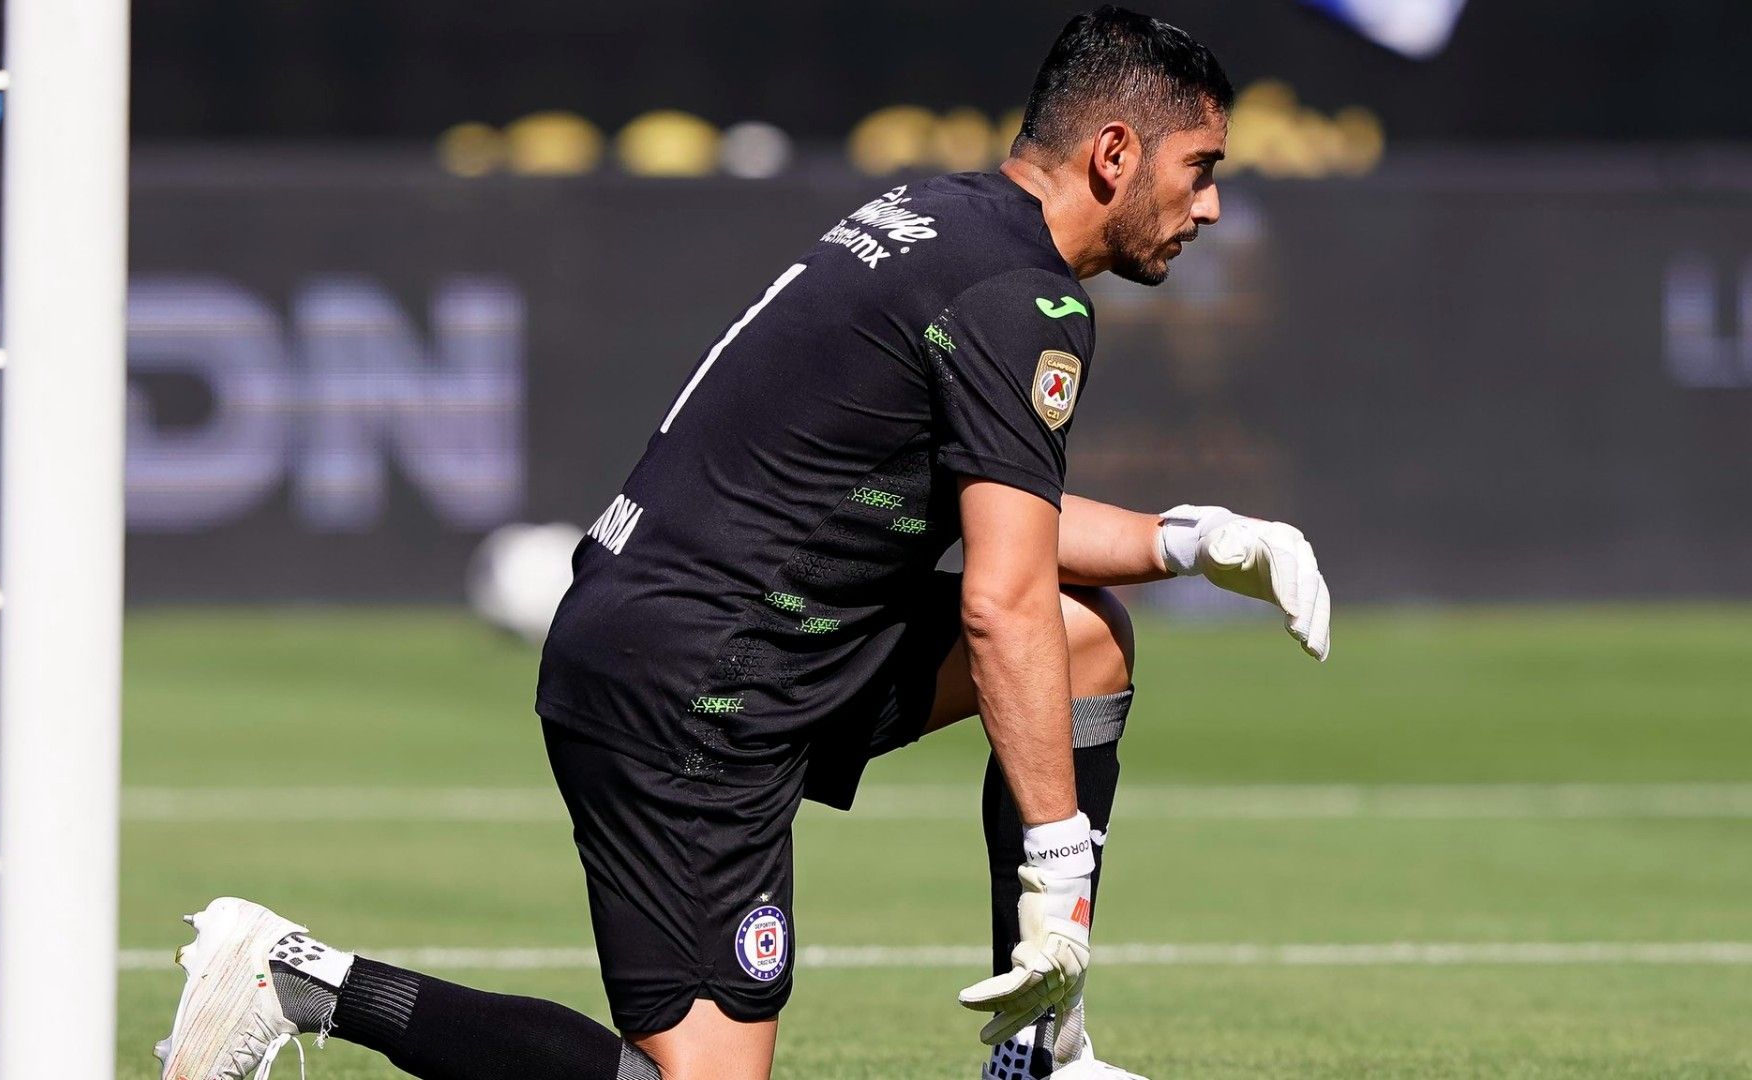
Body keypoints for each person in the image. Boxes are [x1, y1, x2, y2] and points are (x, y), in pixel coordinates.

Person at [155, 8, 1330, 1080]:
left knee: (1087, 640)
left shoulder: (946, 222)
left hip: (743, 646)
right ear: (1115, 155)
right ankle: (301, 980)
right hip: (696, 687)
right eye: (1202, 170)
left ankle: (1039, 1061)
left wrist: (1197, 538)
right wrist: (1058, 874)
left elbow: (1006, 521)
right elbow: (999, 598)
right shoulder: (1023, 301)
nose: (1212, 206)